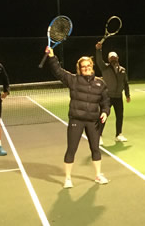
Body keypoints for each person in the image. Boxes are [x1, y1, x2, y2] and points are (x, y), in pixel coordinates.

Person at [45, 47, 111, 188]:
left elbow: (106, 102)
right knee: (71, 149)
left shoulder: (100, 83)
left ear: (92, 67)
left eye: (88, 66)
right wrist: (51, 57)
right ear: (79, 68)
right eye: (83, 67)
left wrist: (105, 112)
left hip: (93, 122)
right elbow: (58, 71)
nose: (86, 68)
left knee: (95, 149)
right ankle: (68, 178)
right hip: (76, 120)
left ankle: (98, 175)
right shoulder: (73, 80)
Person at [95, 42, 131, 144]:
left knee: (120, 116)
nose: (113, 59)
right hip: (107, 97)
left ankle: (118, 134)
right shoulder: (105, 68)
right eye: (111, 58)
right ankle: (99, 136)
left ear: (117, 58)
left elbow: (126, 83)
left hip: (118, 97)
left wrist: (127, 95)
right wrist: (98, 50)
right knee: (103, 116)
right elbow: (98, 60)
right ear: (108, 59)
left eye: (114, 57)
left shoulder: (123, 70)